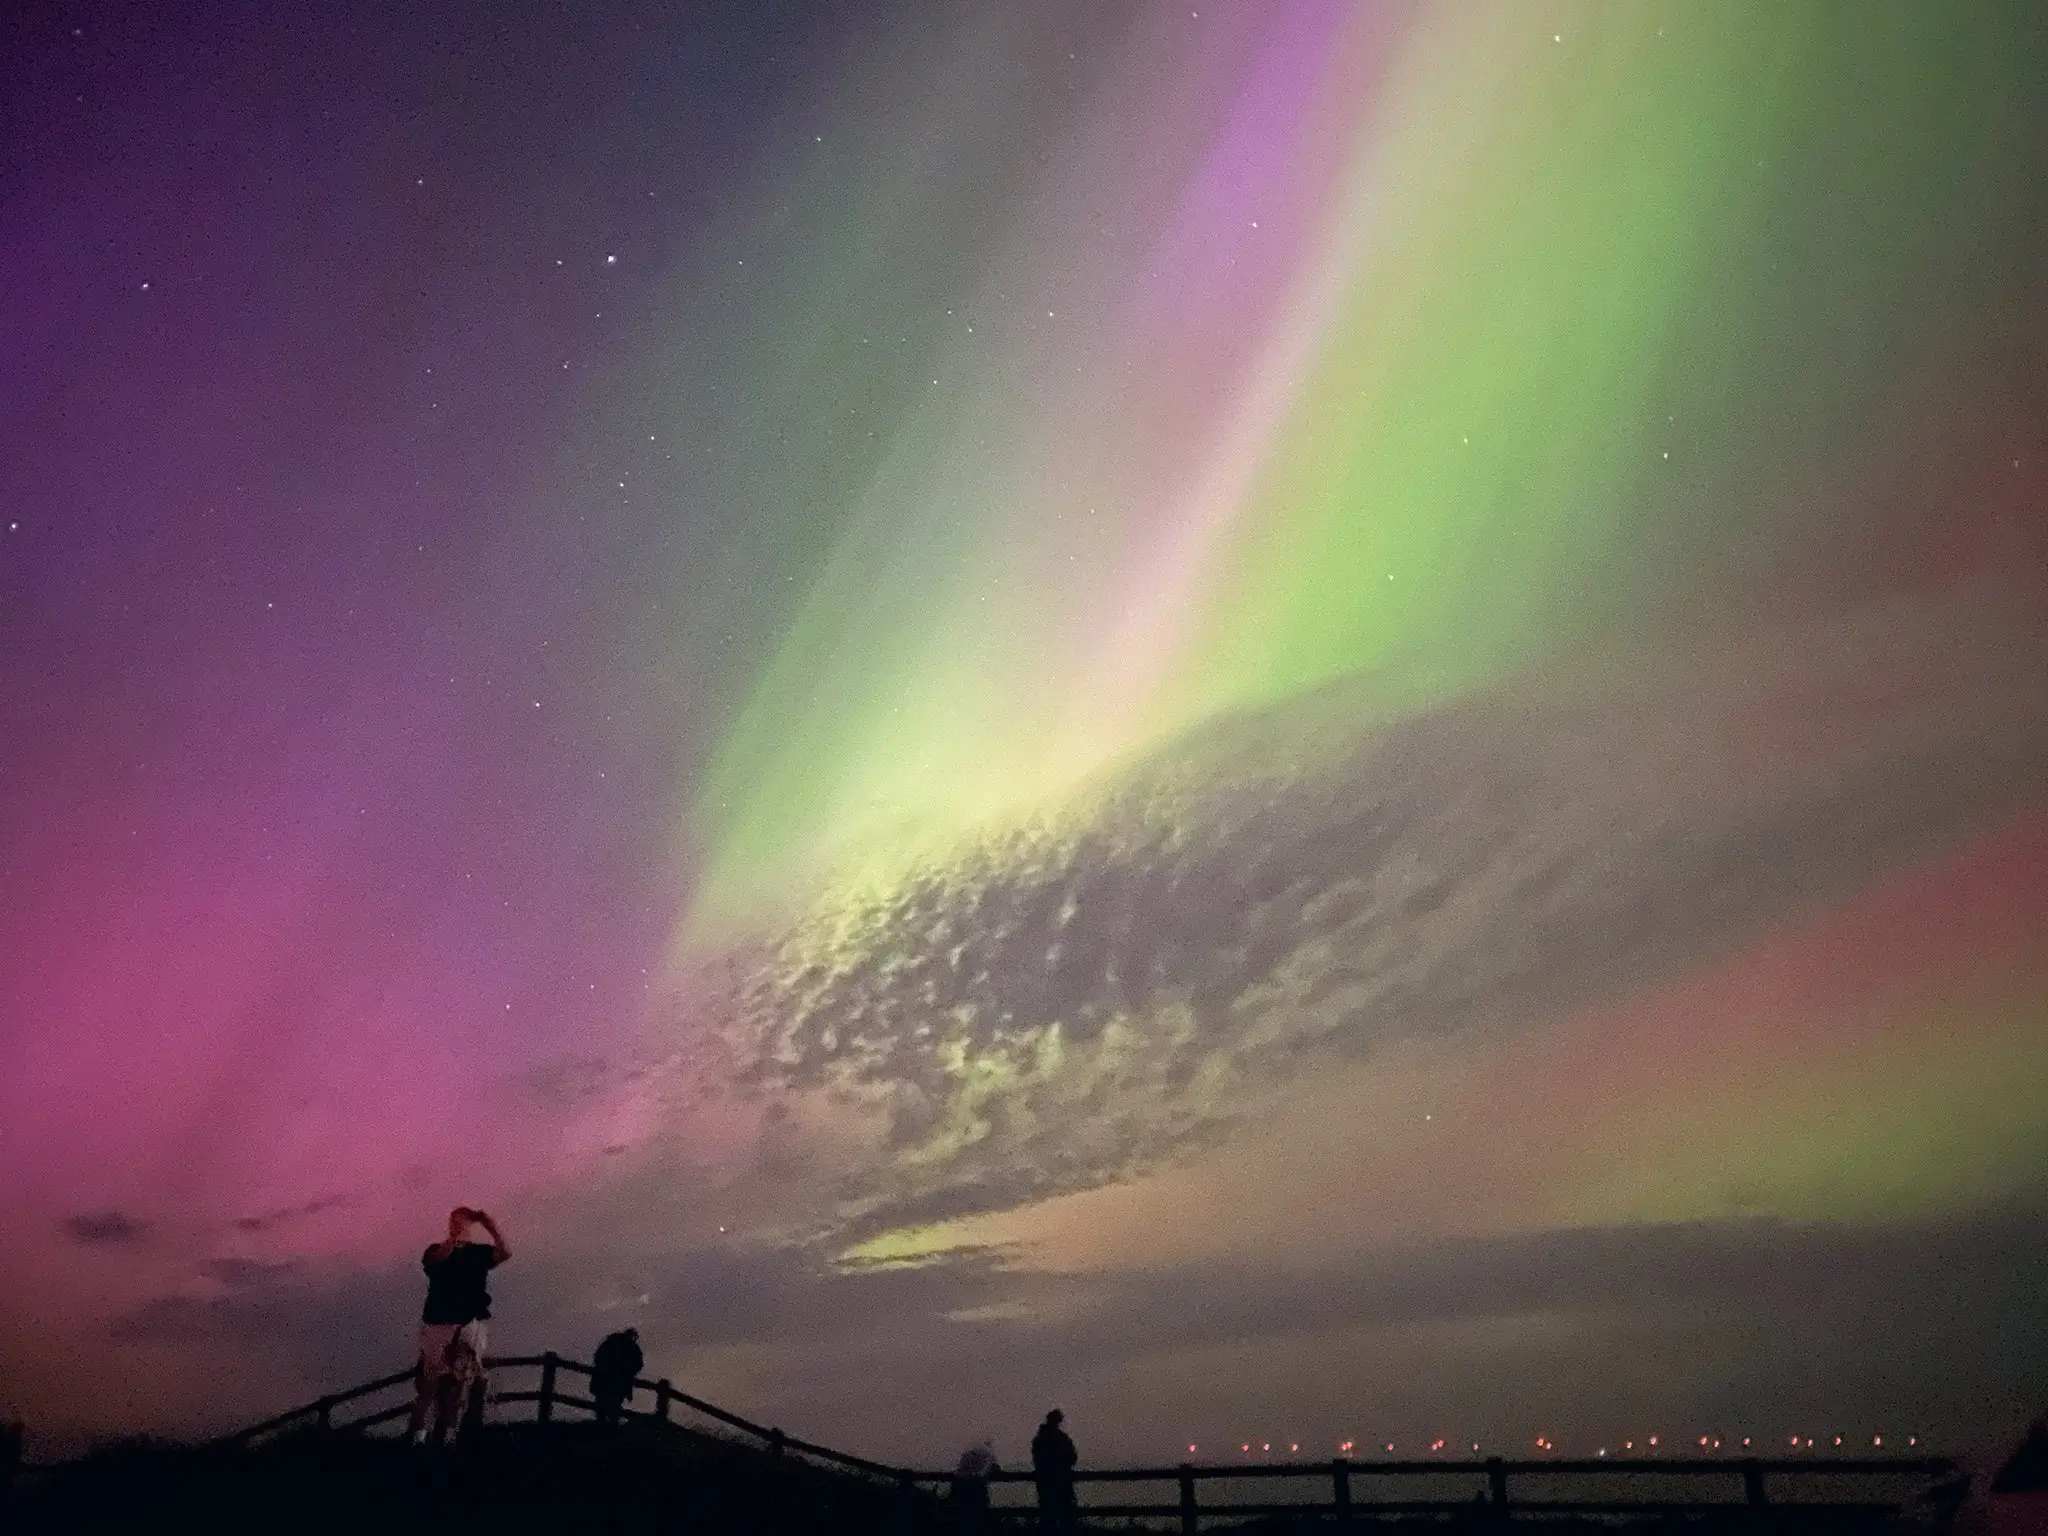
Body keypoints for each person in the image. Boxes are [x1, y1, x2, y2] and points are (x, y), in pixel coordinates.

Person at [408, 1206, 509, 1447]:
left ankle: (449, 1438)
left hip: (470, 1322)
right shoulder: (436, 1250)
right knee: (430, 1383)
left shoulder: (479, 1253)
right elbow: (436, 1260)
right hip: (438, 1323)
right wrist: (454, 1238)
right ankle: (419, 1439)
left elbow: (504, 1253)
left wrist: (491, 1226)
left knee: (460, 1383)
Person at [1031, 1409, 1078, 1532]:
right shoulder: (1063, 1439)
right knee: (1065, 1517)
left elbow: (1036, 1459)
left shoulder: (1039, 1439)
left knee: (1047, 1516)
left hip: (1045, 1482)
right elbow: (1073, 1458)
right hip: (1062, 1481)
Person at [590, 1327, 644, 1427]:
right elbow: (638, 1364)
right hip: (618, 1382)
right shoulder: (631, 1347)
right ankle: (609, 1428)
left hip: (604, 1380)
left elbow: (598, 1358)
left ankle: (601, 1427)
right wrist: (628, 1373)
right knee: (613, 1405)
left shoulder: (610, 1342)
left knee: (603, 1404)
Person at [951, 1438, 999, 1528]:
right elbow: (995, 1468)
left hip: (960, 1484)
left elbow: (959, 1470)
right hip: (977, 1486)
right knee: (978, 1516)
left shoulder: (969, 1451)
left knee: (961, 1516)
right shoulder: (989, 1454)